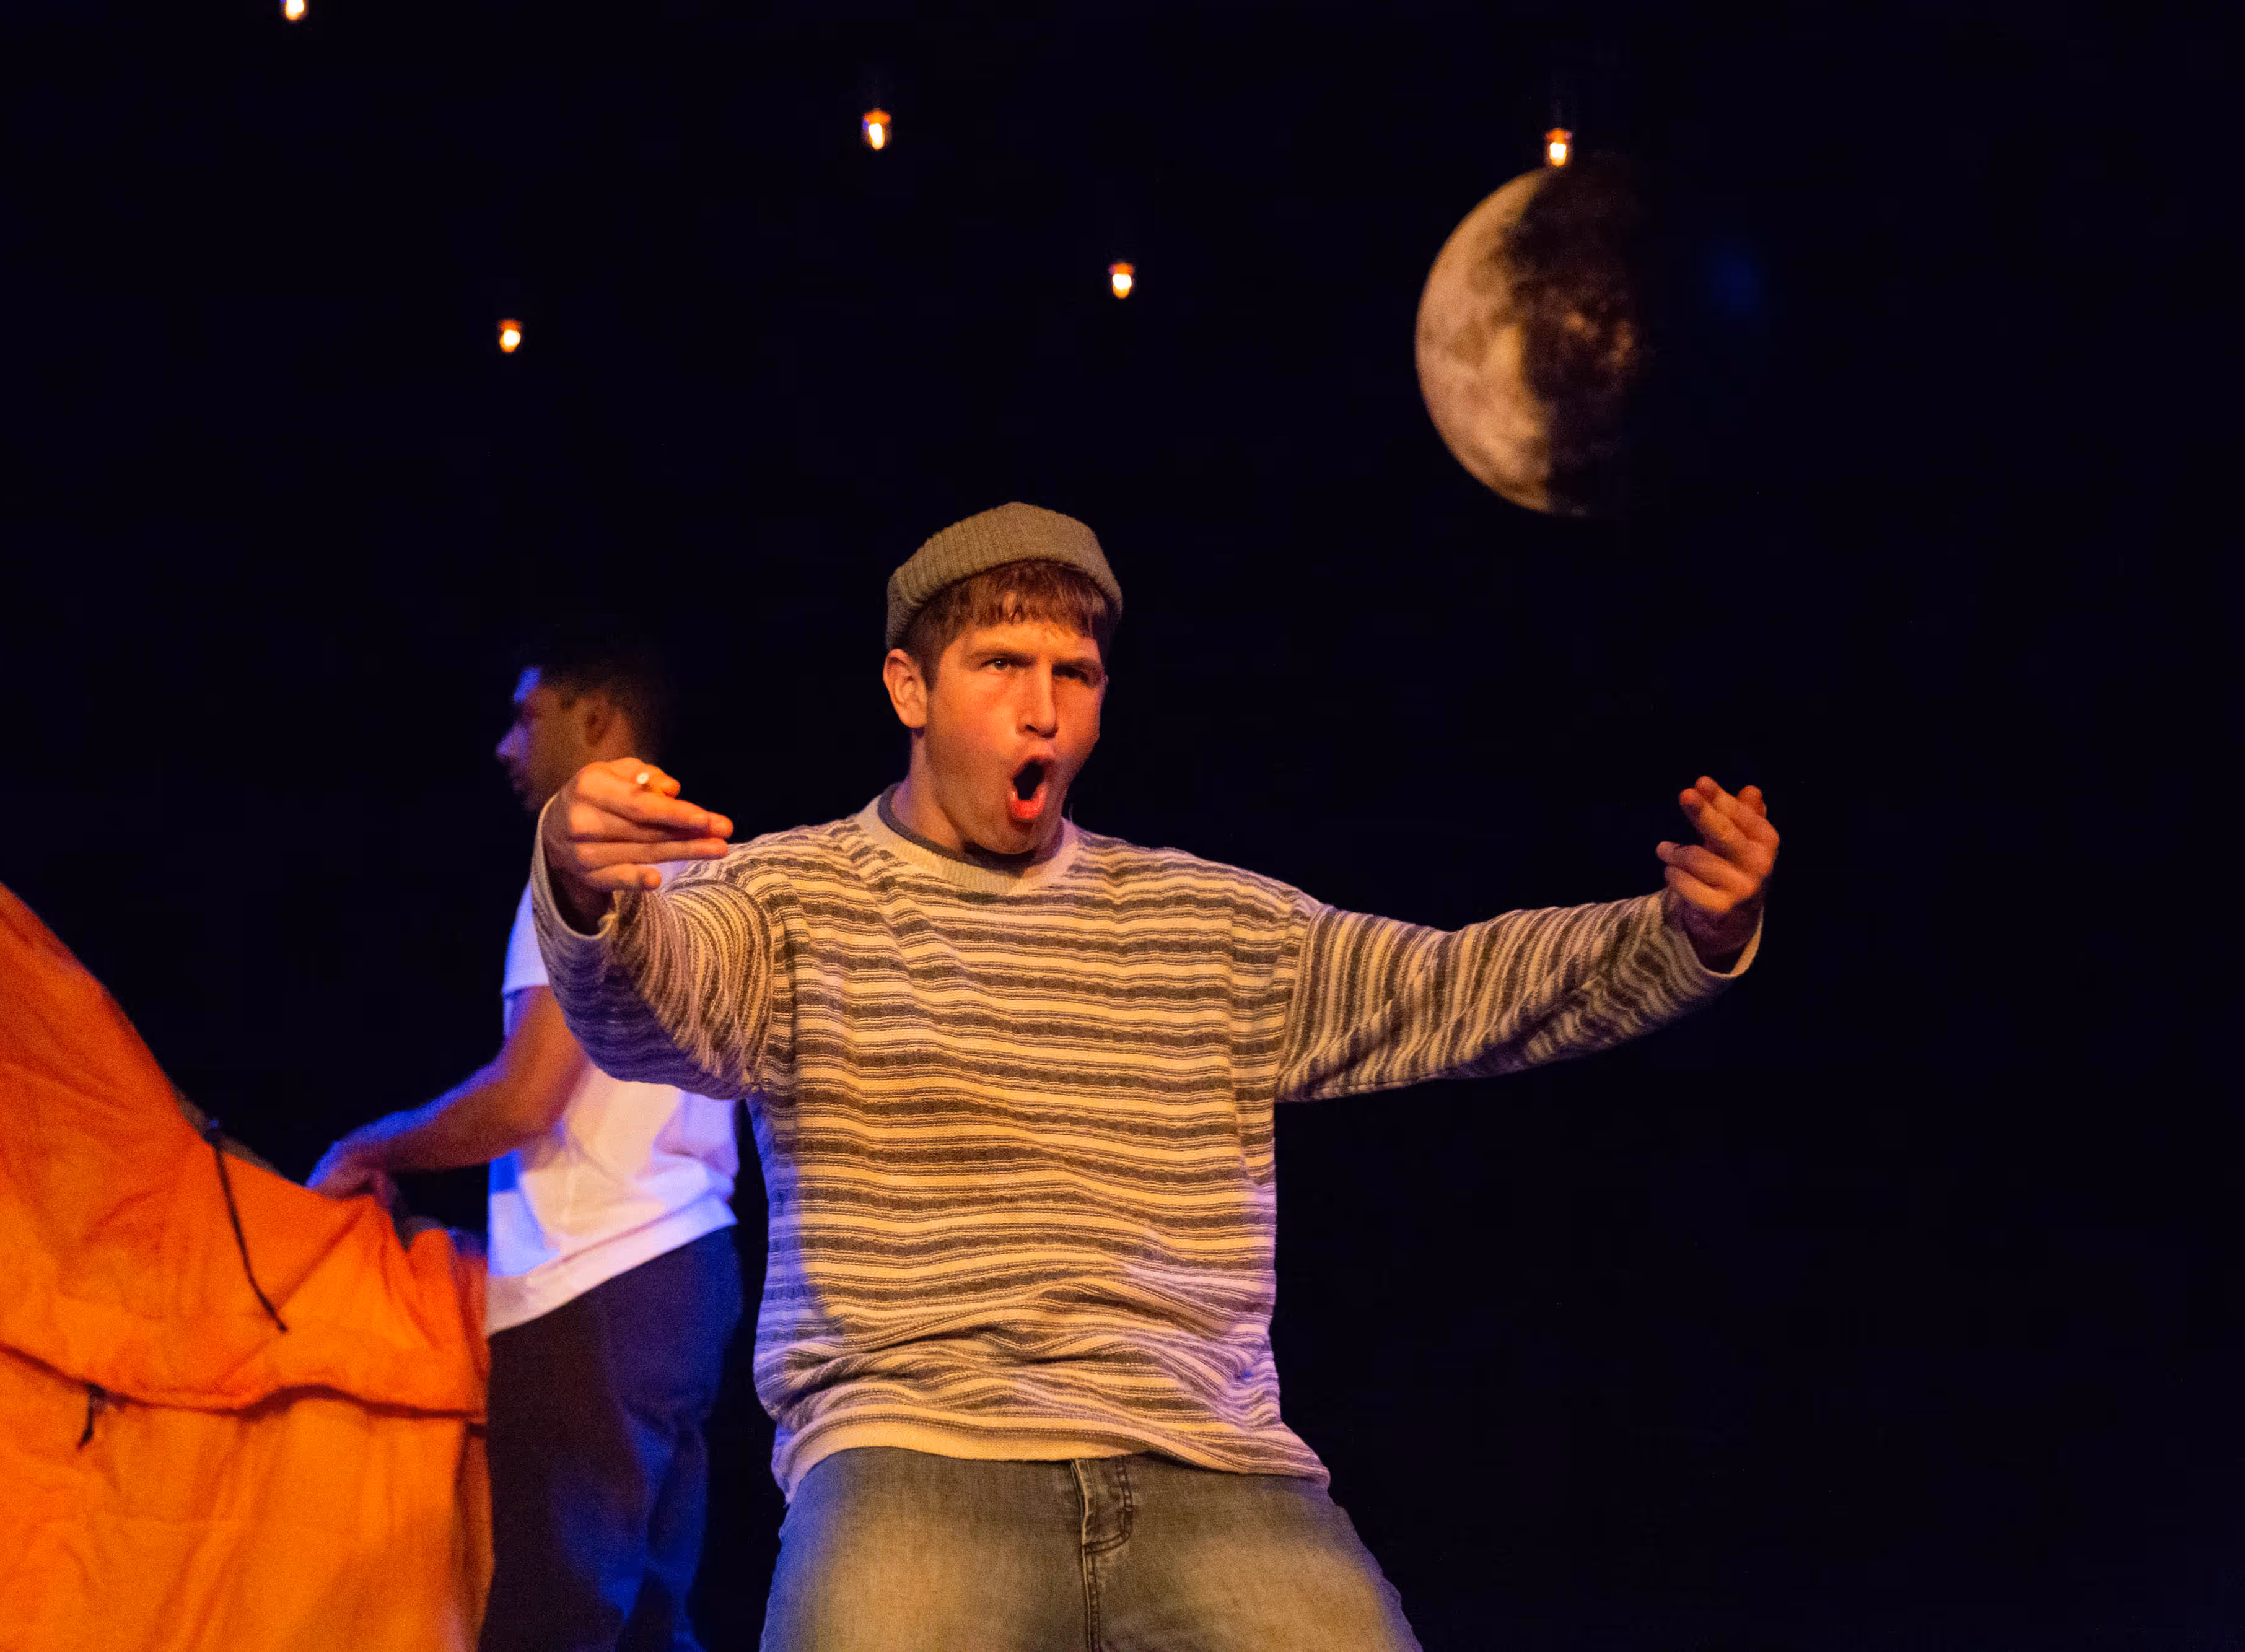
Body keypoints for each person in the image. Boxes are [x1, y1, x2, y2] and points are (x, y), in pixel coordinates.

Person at [526, 503, 1779, 1651]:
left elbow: (1451, 988)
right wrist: (585, 894)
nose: (1042, 711)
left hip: (1209, 1463)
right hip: (913, 1444)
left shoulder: (1203, 921)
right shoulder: (792, 895)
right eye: (1000, 666)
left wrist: (1683, 934)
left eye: (1072, 675)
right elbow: (655, 1011)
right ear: (909, 686)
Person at [309, 628, 742, 1652]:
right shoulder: (702, 863)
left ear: (595, 719)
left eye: (525, 717)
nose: (506, 747)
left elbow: (526, 1096)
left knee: (558, 1620)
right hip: (690, 1268)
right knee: (648, 1623)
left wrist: (368, 1148)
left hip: (598, 1276)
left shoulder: (585, 867)